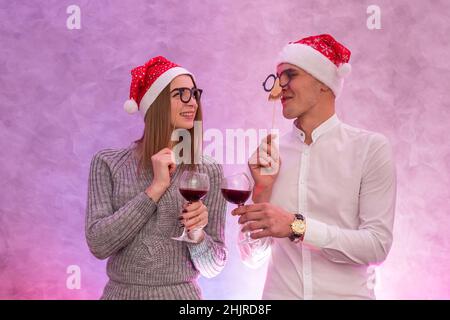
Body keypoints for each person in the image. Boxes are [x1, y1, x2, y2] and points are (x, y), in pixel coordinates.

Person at [232, 34, 396, 299]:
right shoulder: (269, 155)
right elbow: (251, 258)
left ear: (323, 83)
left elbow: (376, 246)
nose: (280, 86)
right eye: (277, 77)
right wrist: (261, 192)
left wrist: (298, 227)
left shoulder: (370, 149)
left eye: (290, 74)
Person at [86, 56, 227, 300]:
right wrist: (156, 188)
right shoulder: (107, 163)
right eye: (180, 94)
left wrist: (197, 234)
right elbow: (99, 245)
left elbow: (213, 267)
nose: (191, 101)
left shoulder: (208, 170)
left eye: (194, 93)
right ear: (156, 104)